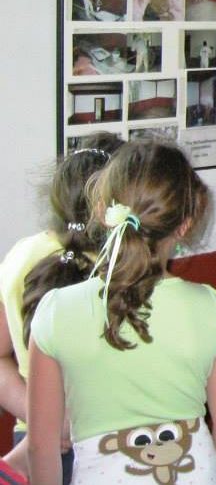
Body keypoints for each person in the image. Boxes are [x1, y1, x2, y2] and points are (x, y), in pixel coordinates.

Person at [26, 142, 216, 484]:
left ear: (100, 211)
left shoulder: (55, 312)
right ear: (185, 225)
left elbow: (41, 446)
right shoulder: (209, 306)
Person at [0, 132, 124, 484]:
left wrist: (44, 418)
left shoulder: (20, 256)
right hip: (113, 441)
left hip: (36, 438)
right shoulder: (124, 267)